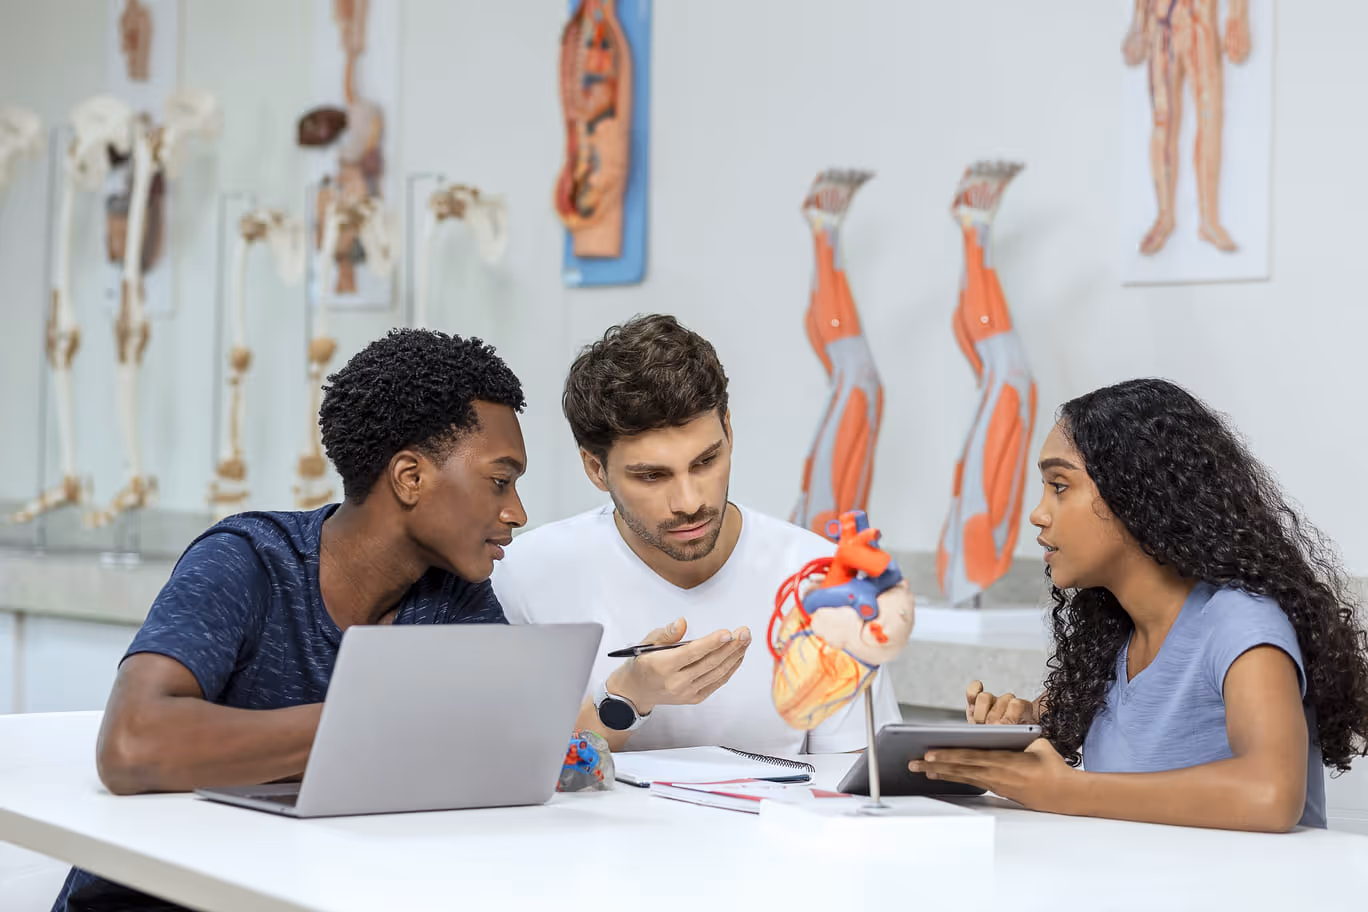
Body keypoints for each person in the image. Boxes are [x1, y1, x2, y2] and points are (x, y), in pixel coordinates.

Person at [53, 329, 528, 911]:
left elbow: (503, 744)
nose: (517, 512)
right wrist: (374, 727)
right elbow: (132, 744)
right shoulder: (246, 559)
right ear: (410, 478)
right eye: (500, 481)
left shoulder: (455, 597)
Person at [912, 379, 1368, 832]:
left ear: (1137, 494)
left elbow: (1270, 793)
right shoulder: (1116, 640)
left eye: (1059, 486)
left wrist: (1066, 790)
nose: (1038, 513)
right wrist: (1022, 723)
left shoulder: (1240, 624)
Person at [493, 314, 910, 755]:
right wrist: (627, 698)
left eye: (705, 462)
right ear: (596, 469)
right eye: (652, 476)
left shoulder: (825, 579)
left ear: (728, 431)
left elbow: (853, 785)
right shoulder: (523, 578)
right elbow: (508, 769)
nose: (689, 501)